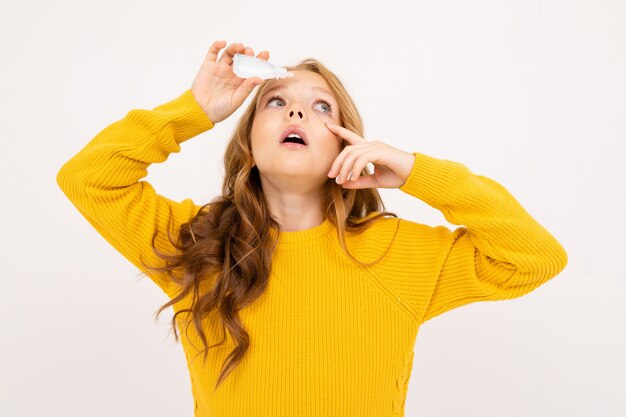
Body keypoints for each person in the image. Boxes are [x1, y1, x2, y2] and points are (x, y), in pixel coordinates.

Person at [56, 40, 568, 416]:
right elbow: (89, 179)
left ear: (348, 144)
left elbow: (535, 258)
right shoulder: (198, 244)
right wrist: (193, 112)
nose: (296, 109)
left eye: (321, 106)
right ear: (248, 141)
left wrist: (416, 172)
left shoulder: (395, 252)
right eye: (275, 101)